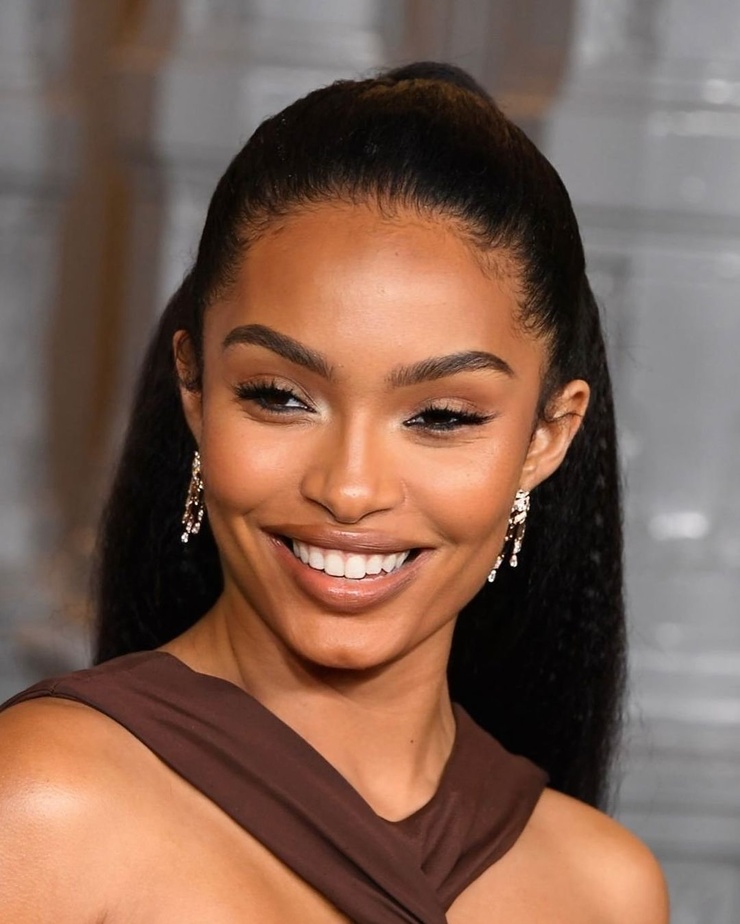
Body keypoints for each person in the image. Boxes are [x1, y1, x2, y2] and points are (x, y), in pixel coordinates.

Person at [0, 62, 668, 922]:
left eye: (441, 416)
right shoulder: (43, 807)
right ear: (194, 388)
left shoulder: (604, 891)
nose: (350, 490)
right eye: (279, 398)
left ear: (548, 435)